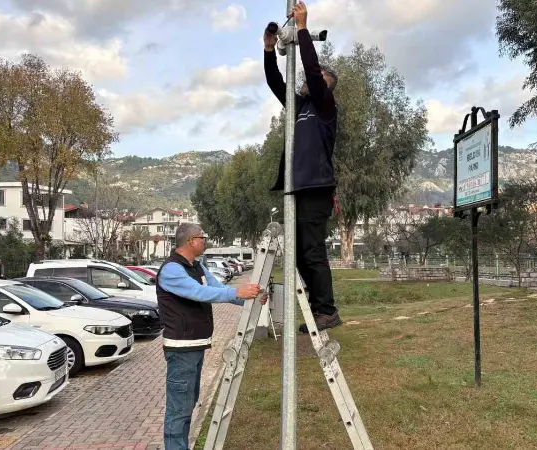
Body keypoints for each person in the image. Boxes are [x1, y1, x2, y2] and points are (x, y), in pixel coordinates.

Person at [263, 1, 342, 333]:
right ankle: (315, 308)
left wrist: (304, 29)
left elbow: (311, 69)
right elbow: (276, 83)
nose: (312, 79)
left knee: (311, 249)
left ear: (327, 85)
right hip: (297, 188)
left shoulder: (325, 107)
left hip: (316, 188)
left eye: (320, 78)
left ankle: (327, 310)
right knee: (296, 253)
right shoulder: (299, 108)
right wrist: (269, 50)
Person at [156, 223, 262, 450]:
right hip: (181, 348)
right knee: (178, 411)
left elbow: (216, 288)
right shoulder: (172, 269)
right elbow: (199, 293)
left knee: (188, 404)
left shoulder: (197, 267)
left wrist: (248, 298)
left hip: (195, 346)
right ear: (191, 241)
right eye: (202, 238)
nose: (205, 241)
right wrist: (236, 291)